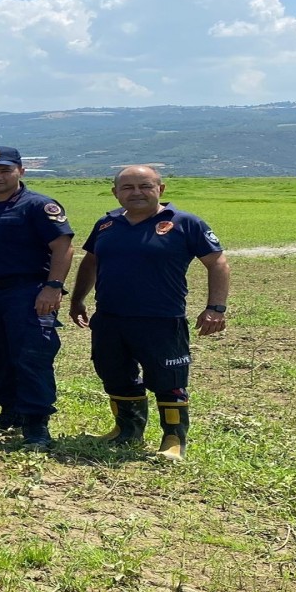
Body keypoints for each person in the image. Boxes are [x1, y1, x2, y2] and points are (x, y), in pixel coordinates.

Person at [69, 165, 230, 461]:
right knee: (115, 375)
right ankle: (126, 430)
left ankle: (173, 439)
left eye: (145, 186)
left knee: (169, 380)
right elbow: (90, 262)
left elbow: (217, 263)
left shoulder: (185, 223)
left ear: (161, 189)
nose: (136, 193)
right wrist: (78, 298)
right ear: (115, 193)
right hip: (110, 318)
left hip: (161, 319)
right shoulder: (107, 224)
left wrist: (215, 307)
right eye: (127, 188)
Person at [0, 146, 74, 450]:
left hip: (28, 292)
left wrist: (53, 286)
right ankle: (11, 412)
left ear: (21, 171)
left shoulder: (39, 205)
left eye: (5, 170)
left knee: (32, 355)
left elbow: (63, 247)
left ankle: (37, 425)